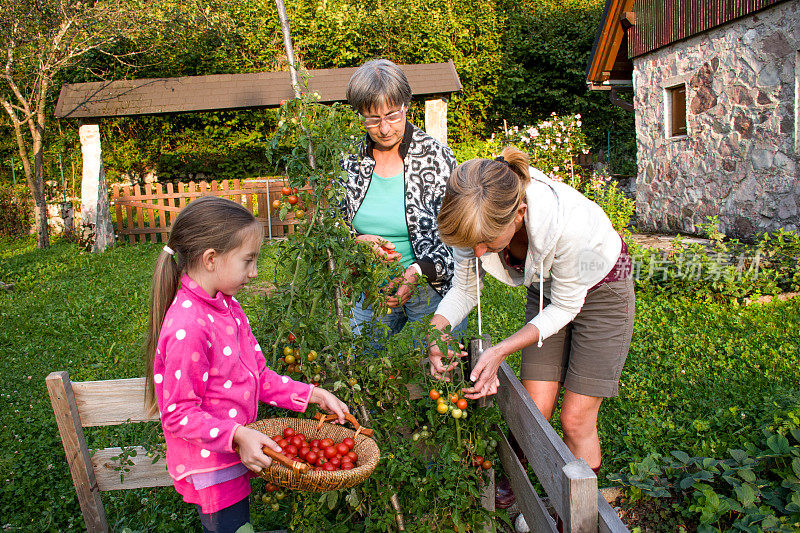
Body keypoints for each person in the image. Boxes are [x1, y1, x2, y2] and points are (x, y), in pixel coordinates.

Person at [428, 147, 635, 511]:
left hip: (602, 286)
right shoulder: (473, 217)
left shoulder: (569, 224)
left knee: (575, 419)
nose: (477, 253)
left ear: (519, 214)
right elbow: (463, 289)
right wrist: (436, 331)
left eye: (487, 244)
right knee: (533, 406)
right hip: (548, 285)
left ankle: (580, 511)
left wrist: (500, 349)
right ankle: (519, 481)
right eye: (471, 244)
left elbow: (568, 306)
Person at [143, 196, 349, 533]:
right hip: (211, 468)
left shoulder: (227, 307)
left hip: (231, 453)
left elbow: (259, 376)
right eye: (248, 260)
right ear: (211, 259)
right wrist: (237, 434)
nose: (254, 273)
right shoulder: (189, 326)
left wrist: (313, 394)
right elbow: (178, 414)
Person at [341, 58, 466, 344]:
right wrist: (355, 243)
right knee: (360, 361)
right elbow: (334, 222)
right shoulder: (348, 160)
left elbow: (458, 235)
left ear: (406, 105)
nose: (384, 128)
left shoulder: (436, 158)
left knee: (440, 367)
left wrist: (418, 270)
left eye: (393, 115)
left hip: (431, 285)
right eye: (372, 119)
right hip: (370, 286)